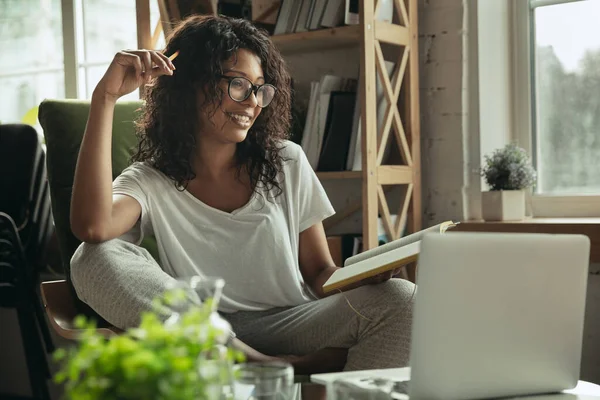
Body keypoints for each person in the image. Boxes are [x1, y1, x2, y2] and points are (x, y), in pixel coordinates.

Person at [69, 14, 415, 374]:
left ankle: (284, 372)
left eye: (261, 89)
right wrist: (105, 97)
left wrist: (358, 279)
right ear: (192, 85)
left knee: (401, 298)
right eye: (239, 84)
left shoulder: (285, 160)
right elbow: (92, 228)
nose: (252, 102)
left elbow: (317, 270)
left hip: (293, 323)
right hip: (206, 330)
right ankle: (259, 364)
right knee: (92, 257)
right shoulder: (150, 180)